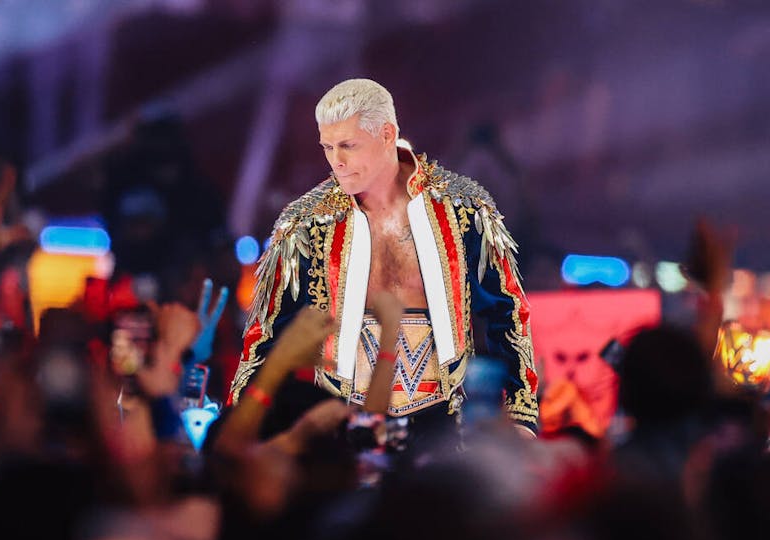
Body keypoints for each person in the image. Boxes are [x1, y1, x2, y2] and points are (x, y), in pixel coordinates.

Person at [229, 78, 538, 436]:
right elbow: (264, 335)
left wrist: (521, 415)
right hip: (337, 432)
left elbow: (508, 312)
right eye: (327, 147)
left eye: (348, 145)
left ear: (387, 134)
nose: (337, 161)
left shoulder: (464, 211)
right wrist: (241, 423)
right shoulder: (305, 224)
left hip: (443, 428)